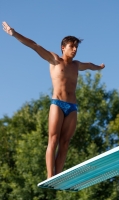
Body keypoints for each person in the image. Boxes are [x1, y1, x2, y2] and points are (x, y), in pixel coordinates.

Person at [2, 21, 105, 178]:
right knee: (54, 139)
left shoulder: (77, 65)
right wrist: (14, 34)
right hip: (57, 104)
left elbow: (89, 65)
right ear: (63, 47)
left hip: (72, 107)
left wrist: (99, 67)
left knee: (65, 143)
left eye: (77, 47)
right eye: (72, 46)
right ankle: (50, 176)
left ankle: (58, 176)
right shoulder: (54, 59)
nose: (75, 50)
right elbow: (34, 45)